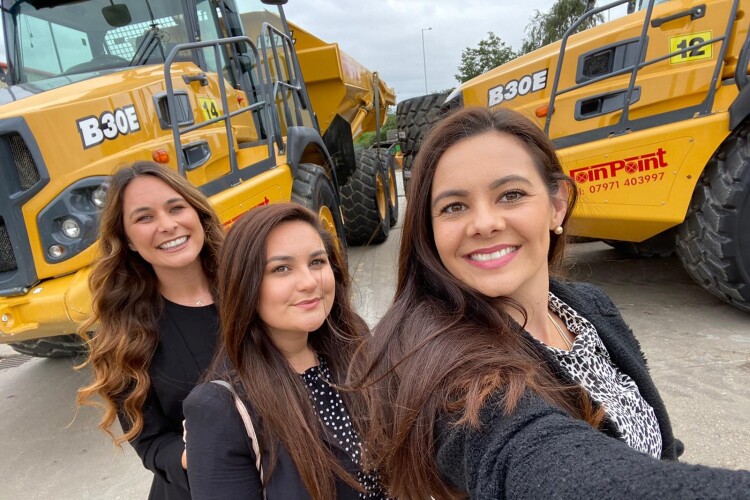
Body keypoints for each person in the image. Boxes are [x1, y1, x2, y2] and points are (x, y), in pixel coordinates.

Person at [353, 107, 750, 499]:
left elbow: (653, 434)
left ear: (557, 204)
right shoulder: (444, 366)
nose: (485, 223)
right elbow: (541, 463)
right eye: (454, 206)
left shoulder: (589, 308)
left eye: (511, 195)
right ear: (430, 228)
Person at [184, 203, 386, 500]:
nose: (309, 282)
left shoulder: (356, 349)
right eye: (281, 268)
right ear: (244, 284)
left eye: (317, 262)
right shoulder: (221, 408)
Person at [76, 161, 224, 500]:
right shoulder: (124, 335)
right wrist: (194, 453)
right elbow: (152, 443)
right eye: (144, 218)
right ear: (126, 240)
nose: (168, 225)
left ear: (197, 213)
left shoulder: (254, 291)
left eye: (176, 208)